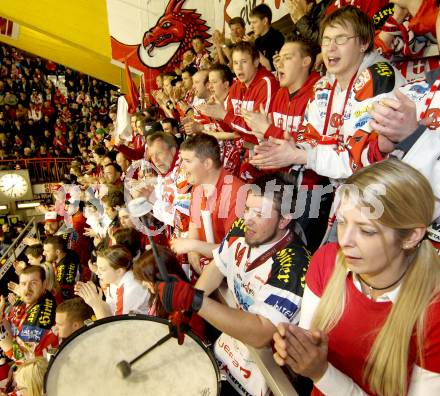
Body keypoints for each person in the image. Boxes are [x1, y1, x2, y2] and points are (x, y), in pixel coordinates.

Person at [273, 159, 440, 395]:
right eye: (342, 223)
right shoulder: (327, 261)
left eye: (366, 230)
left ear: (411, 236)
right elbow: (308, 350)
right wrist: (296, 349)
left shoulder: (433, 313)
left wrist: (322, 373)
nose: (345, 241)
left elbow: (318, 373)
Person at [158, 173, 310, 396]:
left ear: (284, 220)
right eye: (247, 208)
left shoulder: (296, 265)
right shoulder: (243, 227)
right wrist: (188, 309)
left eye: (259, 213)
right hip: (232, 345)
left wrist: (196, 301)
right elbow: (217, 266)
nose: (247, 218)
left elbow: (261, 332)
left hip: (267, 369)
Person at [250, 6, 405, 180]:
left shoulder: (379, 78)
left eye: (340, 39)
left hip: (388, 194)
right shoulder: (323, 85)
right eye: (326, 40)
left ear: (364, 42)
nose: (330, 48)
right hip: (346, 193)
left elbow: (361, 161)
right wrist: (291, 150)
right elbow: (310, 140)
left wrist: (301, 156)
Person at [171, 134, 245, 276]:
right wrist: (193, 251)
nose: (182, 167)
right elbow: (194, 223)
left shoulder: (236, 195)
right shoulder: (199, 187)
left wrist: (193, 245)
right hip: (210, 270)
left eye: (187, 161)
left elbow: (234, 252)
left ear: (207, 164)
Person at [0, 266, 58, 363]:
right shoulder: (32, 298)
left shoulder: (41, 314)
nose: (27, 288)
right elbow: (11, 323)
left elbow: (21, 357)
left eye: (33, 283)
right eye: (23, 284)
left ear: (44, 284)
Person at [74, 246, 149, 319]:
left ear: (119, 271)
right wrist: (96, 298)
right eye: (98, 267)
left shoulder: (128, 291)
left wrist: (96, 304)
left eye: (102, 269)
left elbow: (116, 326)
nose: (97, 273)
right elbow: (112, 307)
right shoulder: (116, 279)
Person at [43, 236, 80, 301]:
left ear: (57, 252)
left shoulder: (64, 272)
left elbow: (64, 296)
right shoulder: (68, 253)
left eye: (47, 251)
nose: (43, 253)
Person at [249, 4, 285, 71]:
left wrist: (253, 46)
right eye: (251, 23)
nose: (251, 27)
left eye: (254, 22)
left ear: (265, 21)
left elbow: (270, 68)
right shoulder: (258, 41)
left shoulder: (276, 38)